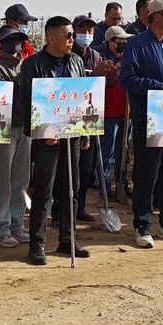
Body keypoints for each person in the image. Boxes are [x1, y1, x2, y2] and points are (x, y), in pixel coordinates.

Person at [16, 16, 91, 265]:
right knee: (43, 191)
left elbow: (83, 98)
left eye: (73, 35)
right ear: (51, 38)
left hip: (72, 136)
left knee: (71, 188)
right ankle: (37, 245)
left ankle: (67, 240)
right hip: (46, 140)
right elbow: (25, 104)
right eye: (68, 35)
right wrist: (42, 132)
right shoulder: (32, 64)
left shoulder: (76, 61)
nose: (72, 40)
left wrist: (86, 131)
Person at [119, 0, 163, 248]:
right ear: (157, 16)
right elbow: (127, 79)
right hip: (146, 117)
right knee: (147, 174)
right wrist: (157, 86)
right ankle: (142, 226)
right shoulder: (136, 44)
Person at [0, 25, 32, 249]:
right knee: (1, 179)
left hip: (25, 126)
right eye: (10, 39)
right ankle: (0, 228)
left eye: (19, 39)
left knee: (21, 179)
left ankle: (17, 223)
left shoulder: (27, 66)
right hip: (3, 127)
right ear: (0, 43)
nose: (15, 43)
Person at [68, 15, 105, 223]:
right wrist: (94, 77)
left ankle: (79, 207)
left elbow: (101, 87)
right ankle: (62, 209)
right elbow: (71, 87)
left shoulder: (95, 55)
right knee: (68, 168)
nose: (87, 34)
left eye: (90, 30)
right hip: (70, 117)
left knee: (85, 167)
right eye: (82, 30)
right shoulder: (69, 55)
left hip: (90, 118)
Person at [96, 25, 131, 202]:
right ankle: (105, 186)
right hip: (109, 111)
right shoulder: (103, 59)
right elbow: (107, 81)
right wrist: (117, 66)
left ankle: (121, 183)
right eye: (120, 41)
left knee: (123, 151)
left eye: (125, 40)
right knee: (106, 152)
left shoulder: (127, 58)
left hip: (126, 111)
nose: (123, 43)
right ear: (110, 41)